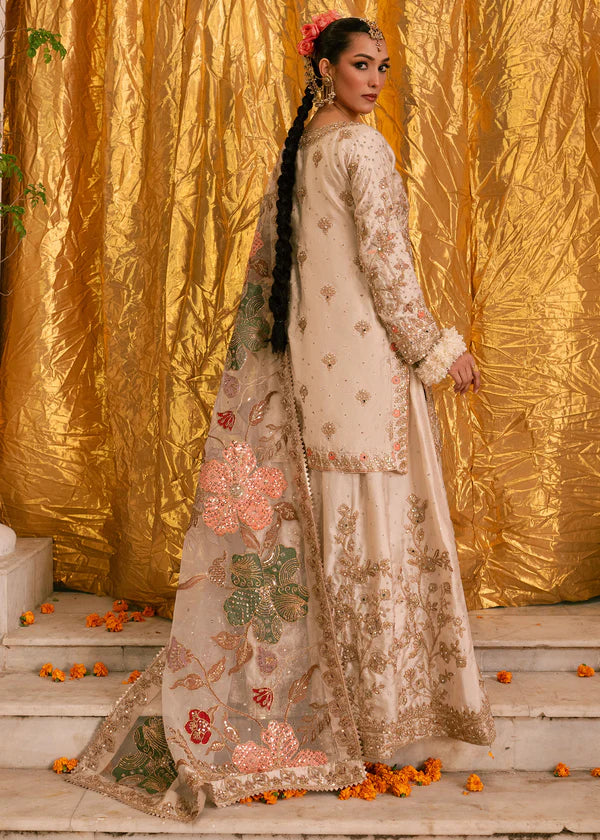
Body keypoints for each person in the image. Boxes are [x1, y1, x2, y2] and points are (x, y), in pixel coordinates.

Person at [68, 13, 494, 821]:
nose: (375, 80)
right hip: (366, 374)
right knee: (368, 536)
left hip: (310, 376)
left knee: (325, 539)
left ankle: (325, 715)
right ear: (325, 68)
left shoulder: (301, 149)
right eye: (361, 65)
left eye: (382, 67)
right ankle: (370, 722)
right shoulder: (362, 149)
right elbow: (388, 266)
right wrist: (440, 351)